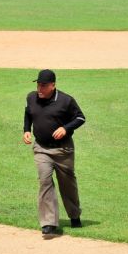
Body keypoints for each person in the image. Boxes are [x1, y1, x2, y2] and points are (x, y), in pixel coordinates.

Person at [22, 69, 86, 239]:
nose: (40, 89)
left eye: (44, 85)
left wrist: (65, 128)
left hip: (63, 150)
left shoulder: (66, 100)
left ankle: (74, 215)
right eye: (38, 85)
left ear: (53, 85)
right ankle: (49, 223)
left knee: (67, 184)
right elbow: (28, 113)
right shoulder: (31, 97)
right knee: (45, 181)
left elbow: (80, 118)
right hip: (42, 149)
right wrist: (27, 130)